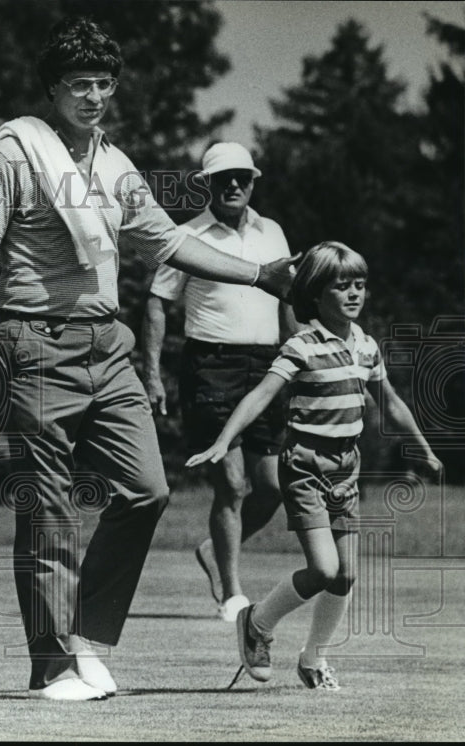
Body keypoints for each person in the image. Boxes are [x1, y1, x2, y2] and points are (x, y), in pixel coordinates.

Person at [0, 16, 297, 702]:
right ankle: (53, 667)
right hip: (35, 342)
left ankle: (88, 639)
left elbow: (168, 244)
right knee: (49, 510)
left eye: (103, 83)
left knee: (149, 489)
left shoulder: (116, 165)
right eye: (78, 83)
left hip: (107, 347)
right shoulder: (17, 151)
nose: (92, 96)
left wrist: (257, 275)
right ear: (52, 88)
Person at [186, 242, 443, 690]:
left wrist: (422, 447)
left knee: (346, 575)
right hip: (304, 466)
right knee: (322, 570)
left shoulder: (366, 345)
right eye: (341, 286)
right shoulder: (302, 345)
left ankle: (312, 658)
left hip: (347, 468)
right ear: (315, 293)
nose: (353, 294)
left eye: (359, 285)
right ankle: (257, 623)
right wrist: (224, 440)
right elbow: (262, 394)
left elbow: (391, 403)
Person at [142, 142, 297, 623]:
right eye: (222, 178)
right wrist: (150, 371)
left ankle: (214, 551)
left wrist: (300, 355)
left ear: (253, 182)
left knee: (271, 487)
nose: (233, 185)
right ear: (206, 184)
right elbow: (155, 302)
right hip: (211, 366)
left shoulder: (273, 232)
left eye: (242, 177)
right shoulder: (185, 236)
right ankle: (233, 593)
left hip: (268, 366)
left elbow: (287, 297)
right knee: (231, 483)